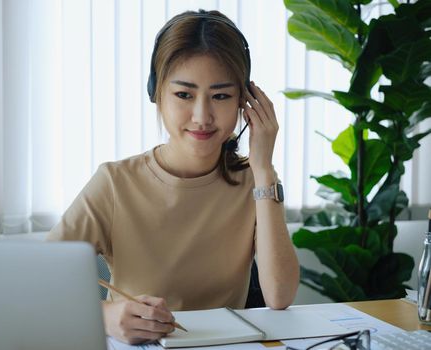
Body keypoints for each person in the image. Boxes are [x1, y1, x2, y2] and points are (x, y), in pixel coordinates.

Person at [47, 9, 299, 345]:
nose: (202, 116)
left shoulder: (255, 184)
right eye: (184, 95)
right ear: (157, 94)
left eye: (221, 96)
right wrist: (104, 316)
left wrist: (264, 169)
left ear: (245, 102)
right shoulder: (115, 183)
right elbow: (40, 286)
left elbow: (280, 297)